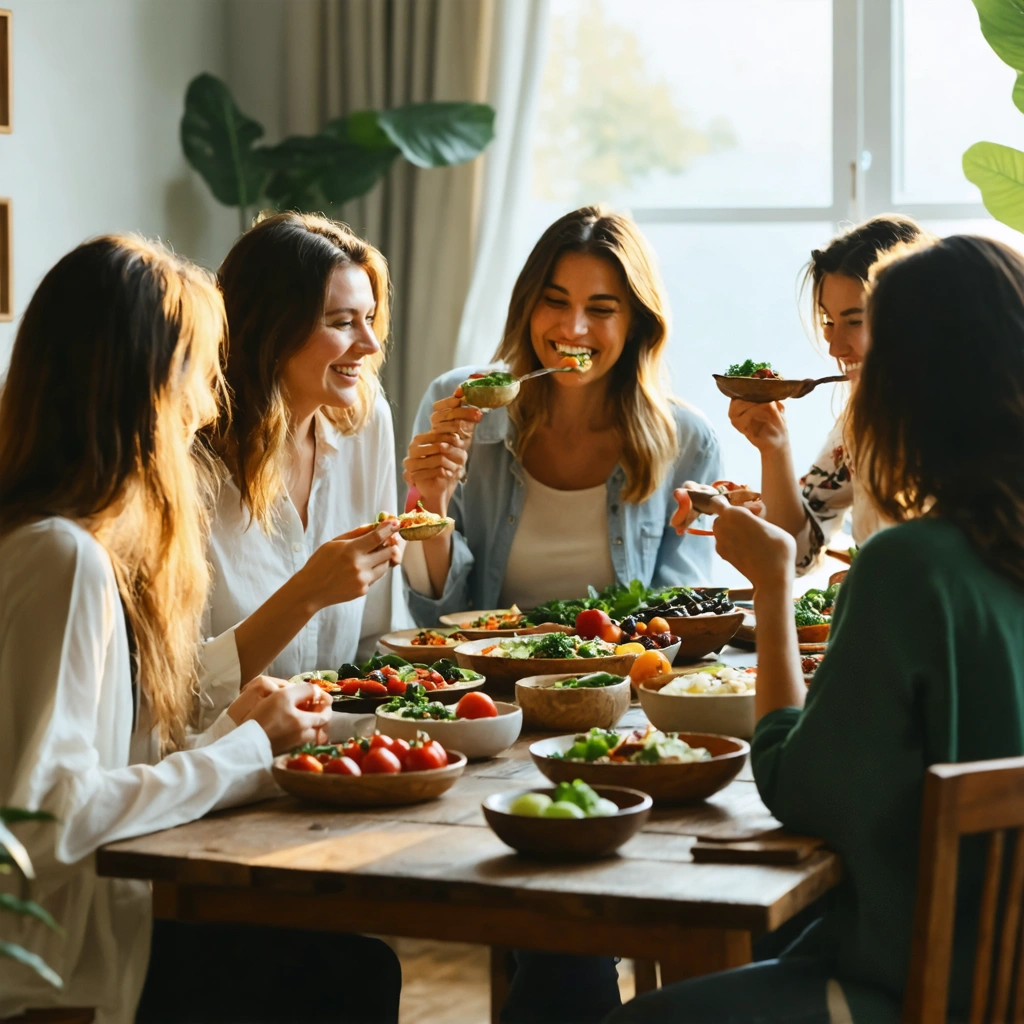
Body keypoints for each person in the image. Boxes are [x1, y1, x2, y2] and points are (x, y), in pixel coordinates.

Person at [606, 234, 1024, 1024]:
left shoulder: (910, 570)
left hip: (923, 986)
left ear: (913, 385)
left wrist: (770, 590)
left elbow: (797, 789)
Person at [0, 236, 400, 1024]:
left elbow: (120, 748)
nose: (212, 404)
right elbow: (49, 818)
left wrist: (235, 721)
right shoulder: (64, 559)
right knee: (354, 977)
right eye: (200, 373)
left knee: (350, 964)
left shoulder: (61, 541)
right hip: (71, 973)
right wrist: (245, 753)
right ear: (140, 384)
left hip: (106, 934)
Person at [402, 205, 722, 625]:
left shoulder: (688, 441)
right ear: (528, 306)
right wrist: (431, 502)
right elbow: (436, 621)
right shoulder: (460, 402)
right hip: (487, 663)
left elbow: (679, 619)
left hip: (626, 664)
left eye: (601, 309)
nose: (573, 328)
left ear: (636, 323)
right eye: (555, 301)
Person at [200, 212, 413, 723]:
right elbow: (178, 691)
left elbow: (378, 637)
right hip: (221, 753)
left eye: (369, 318)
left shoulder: (366, 425)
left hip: (347, 746)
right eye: (342, 322)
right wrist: (309, 592)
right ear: (269, 332)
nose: (370, 344)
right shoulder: (189, 466)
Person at [694, 215, 927, 573]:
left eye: (855, 321)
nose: (834, 347)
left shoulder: (975, 425)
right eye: (828, 321)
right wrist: (774, 448)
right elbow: (799, 555)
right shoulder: (858, 424)